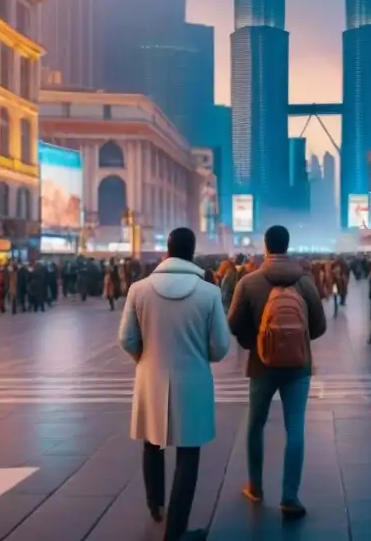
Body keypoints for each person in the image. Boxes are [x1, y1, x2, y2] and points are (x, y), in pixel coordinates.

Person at [119, 228, 230, 541]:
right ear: (192, 251)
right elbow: (220, 346)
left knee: (152, 442)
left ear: (167, 249)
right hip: (193, 378)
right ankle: (177, 530)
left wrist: (146, 358)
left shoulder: (139, 289)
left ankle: (155, 505)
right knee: (188, 452)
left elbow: (126, 337)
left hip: (150, 376)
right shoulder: (208, 293)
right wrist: (199, 353)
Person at [227, 225, 327, 521]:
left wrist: (255, 341)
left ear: (266, 246)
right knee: (294, 428)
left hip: (261, 364)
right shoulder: (305, 282)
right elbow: (319, 326)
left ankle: (255, 487)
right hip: (298, 366)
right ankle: (290, 496)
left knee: (255, 424)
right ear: (288, 245)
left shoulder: (249, 282)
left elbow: (233, 324)